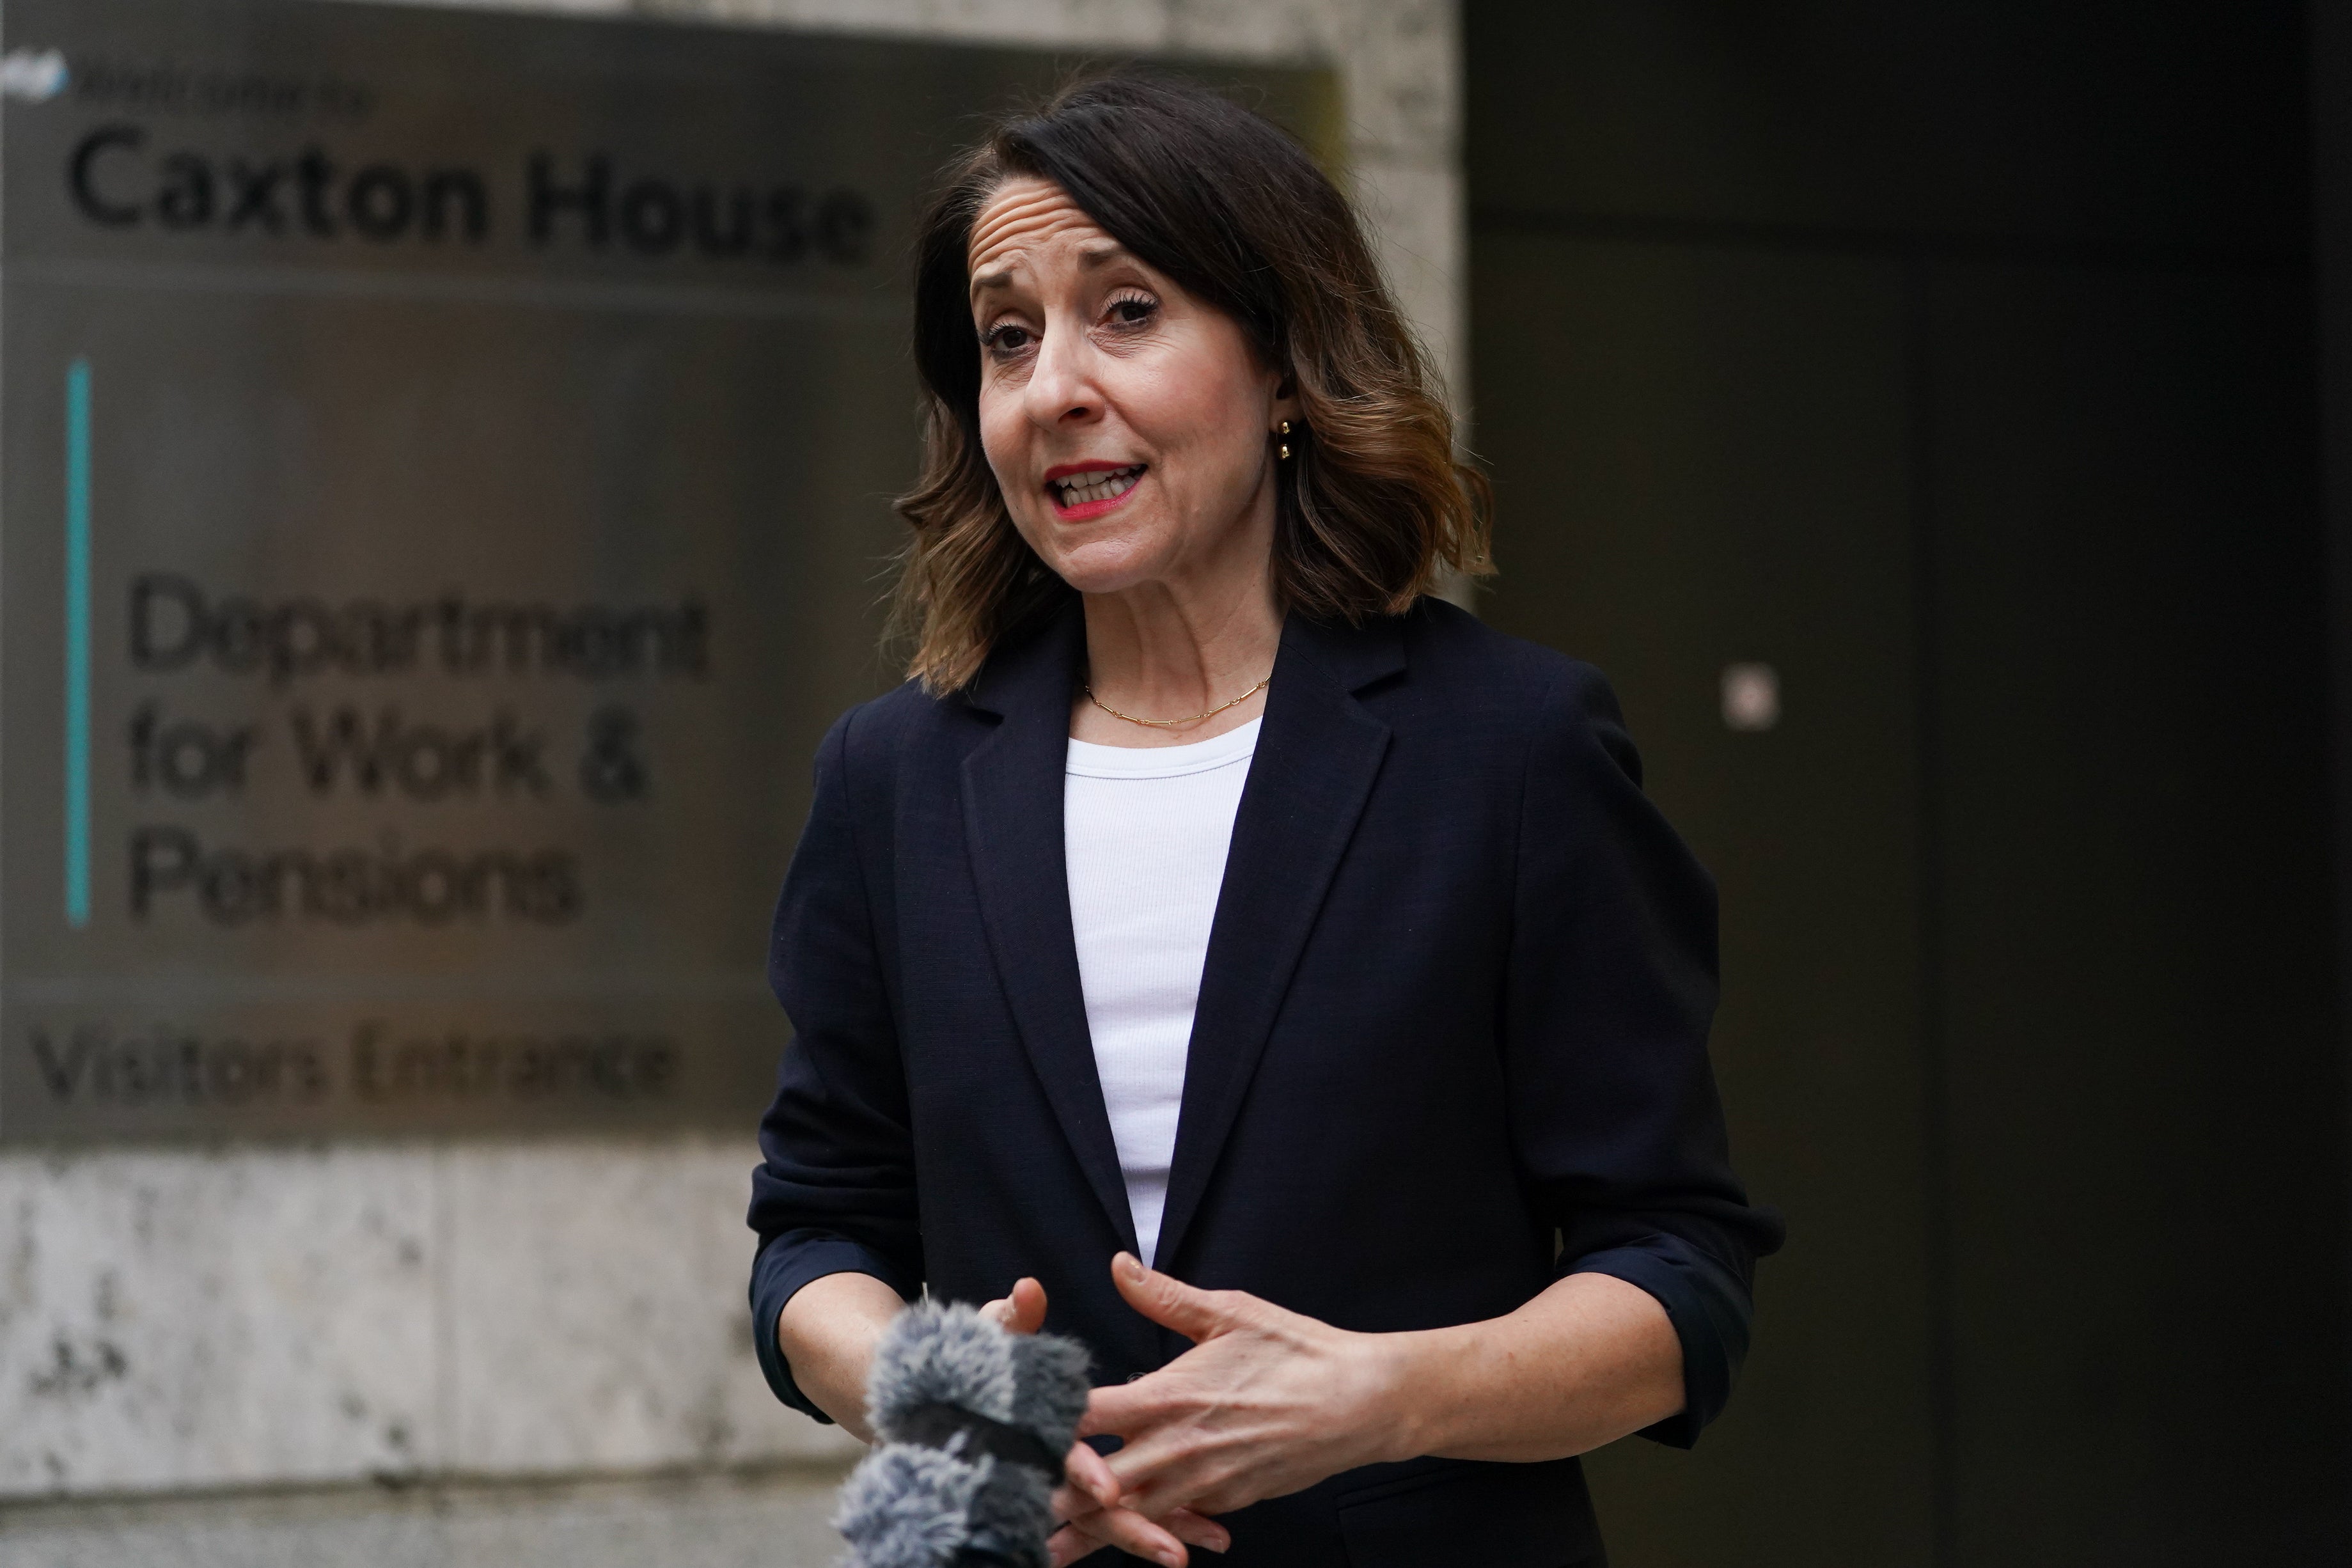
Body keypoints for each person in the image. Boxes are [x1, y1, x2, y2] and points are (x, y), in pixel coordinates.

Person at [747, 73, 1782, 1568]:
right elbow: (815, 1234)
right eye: (1007, 337)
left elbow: (1678, 1273)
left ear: (1286, 364)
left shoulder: (1510, 748)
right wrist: (943, 1390)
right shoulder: (893, 778)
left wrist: (1384, 1395)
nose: (1053, 390)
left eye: (1127, 312)